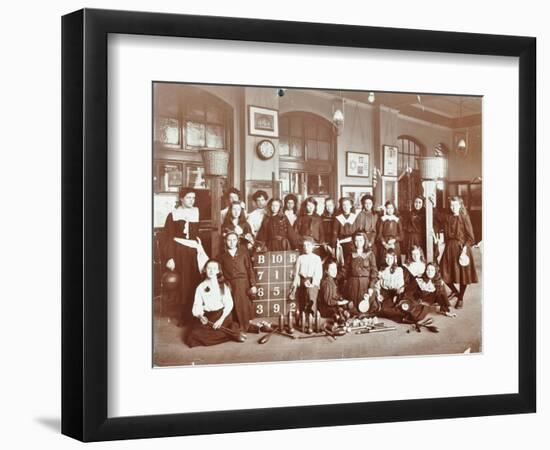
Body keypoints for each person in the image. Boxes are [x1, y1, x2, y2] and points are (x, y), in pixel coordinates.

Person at [163, 187, 207, 326]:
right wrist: (170, 257)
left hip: (193, 251)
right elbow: (168, 237)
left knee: (195, 281)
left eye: (193, 198)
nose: (191, 200)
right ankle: (184, 316)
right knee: (183, 284)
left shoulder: (197, 212)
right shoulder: (173, 214)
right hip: (179, 251)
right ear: (181, 198)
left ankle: (195, 314)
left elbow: (197, 233)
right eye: (188, 197)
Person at [185, 259, 242, 347]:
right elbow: (197, 304)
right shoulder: (200, 287)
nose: (211, 271)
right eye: (209, 268)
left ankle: (229, 329)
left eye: (214, 268)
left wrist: (221, 320)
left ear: (218, 271)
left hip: (222, 315)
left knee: (217, 330)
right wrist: (200, 316)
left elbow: (229, 304)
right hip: (209, 316)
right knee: (192, 336)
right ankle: (229, 333)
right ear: (205, 270)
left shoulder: (223, 285)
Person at [439, 196, 479, 309]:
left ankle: (460, 298)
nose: (453, 207)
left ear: (460, 205)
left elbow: (471, 238)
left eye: (455, 205)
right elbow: (437, 215)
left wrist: (465, 249)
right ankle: (455, 292)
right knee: (442, 273)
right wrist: (432, 203)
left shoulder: (464, 217)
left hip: (462, 248)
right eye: (451, 205)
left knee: (463, 276)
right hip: (449, 248)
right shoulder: (448, 217)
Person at [216, 232, 258, 331]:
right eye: (229, 240)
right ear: (225, 241)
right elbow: (220, 273)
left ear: (237, 241)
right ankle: (239, 325)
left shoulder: (243, 253)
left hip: (243, 283)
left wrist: (253, 285)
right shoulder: (221, 256)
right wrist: (223, 284)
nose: (231, 242)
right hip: (230, 283)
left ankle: (244, 325)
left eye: (234, 240)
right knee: (232, 302)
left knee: (242, 300)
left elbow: (249, 269)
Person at [339, 232, 378, 312]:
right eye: (356, 240)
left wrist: (371, 286)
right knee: (352, 309)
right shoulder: (350, 255)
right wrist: (335, 277)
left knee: (364, 309)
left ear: (364, 241)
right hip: (353, 284)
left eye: (360, 240)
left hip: (365, 284)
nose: (358, 243)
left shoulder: (370, 254)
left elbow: (374, 272)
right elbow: (345, 270)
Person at [289, 236, 323, 316]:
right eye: (305, 245)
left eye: (308, 245)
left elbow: (318, 273)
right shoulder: (300, 258)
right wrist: (295, 285)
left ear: (312, 247)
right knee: (303, 300)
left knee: (311, 297)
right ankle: (303, 317)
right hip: (303, 281)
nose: (306, 247)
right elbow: (296, 273)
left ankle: (312, 316)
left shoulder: (316, 258)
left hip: (312, 281)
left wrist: (313, 283)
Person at [372, 249, 406, 322]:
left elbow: (401, 286)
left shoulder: (399, 270)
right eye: (387, 257)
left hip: (395, 293)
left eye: (391, 258)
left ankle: (401, 315)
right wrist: (378, 294)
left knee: (399, 307)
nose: (388, 260)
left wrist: (396, 295)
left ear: (394, 259)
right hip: (385, 293)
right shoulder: (382, 270)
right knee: (382, 309)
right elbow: (377, 284)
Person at [377, 200, 403, 266]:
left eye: (391, 208)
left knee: (395, 261)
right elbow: (379, 234)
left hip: (395, 244)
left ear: (394, 209)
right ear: (385, 209)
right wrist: (384, 243)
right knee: (384, 261)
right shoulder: (382, 219)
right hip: (385, 244)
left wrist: (395, 240)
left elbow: (401, 235)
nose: (390, 210)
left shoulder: (397, 219)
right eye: (388, 208)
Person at [333, 197, 358, 263]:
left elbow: (357, 231)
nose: (345, 207)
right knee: (342, 263)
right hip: (341, 244)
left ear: (351, 206)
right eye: (343, 205)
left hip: (352, 244)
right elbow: (335, 233)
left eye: (347, 204)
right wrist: (333, 246)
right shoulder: (338, 218)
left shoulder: (354, 217)